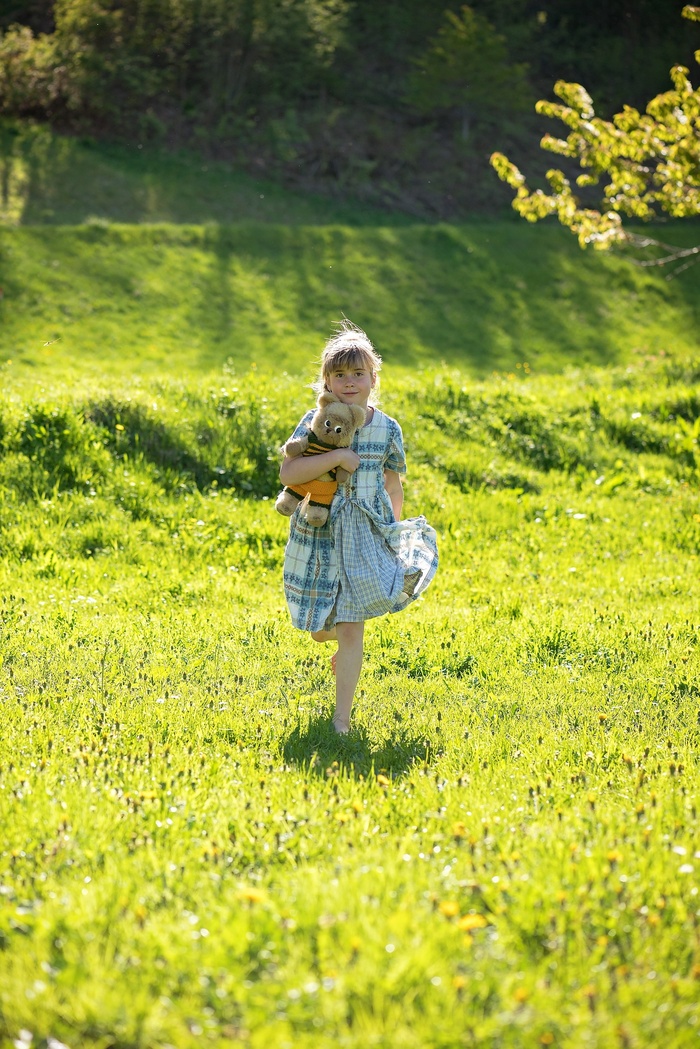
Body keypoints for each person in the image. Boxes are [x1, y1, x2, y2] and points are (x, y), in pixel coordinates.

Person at [280, 320, 438, 734]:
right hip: (320, 529)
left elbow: (391, 479)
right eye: (339, 375)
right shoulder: (316, 420)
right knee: (320, 629)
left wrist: (394, 530)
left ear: (372, 378)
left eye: (357, 374)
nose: (349, 382)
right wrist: (336, 459)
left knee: (352, 628)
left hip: (366, 531)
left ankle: (341, 722)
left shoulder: (387, 428)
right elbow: (289, 470)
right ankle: (334, 638)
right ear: (327, 381)